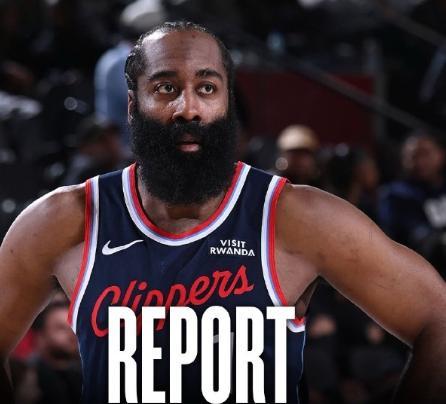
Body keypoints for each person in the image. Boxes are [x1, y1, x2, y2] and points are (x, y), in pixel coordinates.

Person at [0, 21, 446, 404]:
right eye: (166, 88)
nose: (188, 108)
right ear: (133, 106)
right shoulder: (64, 221)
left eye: (207, 88)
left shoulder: (296, 217)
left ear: (227, 103)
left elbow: (437, 318)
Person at [378, 133, 446, 277]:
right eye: (413, 156)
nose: (420, 162)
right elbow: (416, 237)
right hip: (420, 272)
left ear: (441, 154)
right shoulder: (395, 195)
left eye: (425, 154)